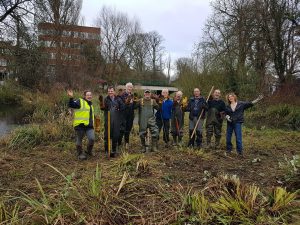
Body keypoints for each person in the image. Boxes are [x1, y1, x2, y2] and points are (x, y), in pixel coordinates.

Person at [67, 89, 95, 160]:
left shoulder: (90, 104)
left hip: (89, 126)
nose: (89, 96)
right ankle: (80, 154)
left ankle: (88, 151)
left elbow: (90, 115)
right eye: (87, 95)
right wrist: (71, 98)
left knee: (92, 139)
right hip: (80, 125)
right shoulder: (80, 101)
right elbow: (71, 104)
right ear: (84, 96)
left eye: (90, 95)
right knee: (79, 139)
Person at [99, 86, 125, 157]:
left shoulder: (118, 99)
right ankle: (107, 150)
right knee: (107, 135)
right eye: (109, 91)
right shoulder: (106, 99)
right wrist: (101, 103)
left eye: (111, 91)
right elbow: (102, 108)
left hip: (116, 120)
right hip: (108, 120)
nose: (110, 92)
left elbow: (123, 107)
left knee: (115, 135)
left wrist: (119, 109)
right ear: (108, 92)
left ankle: (113, 150)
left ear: (114, 92)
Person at [118, 82, 135, 150]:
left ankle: (126, 144)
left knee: (128, 129)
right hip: (123, 115)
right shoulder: (122, 95)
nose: (129, 88)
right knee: (122, 130)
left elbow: (134, 106)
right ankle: (119, 144)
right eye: (128, 87)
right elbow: (121, 105)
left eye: (131, 87)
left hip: (130, 115)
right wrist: (127, 102)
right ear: (126, 88)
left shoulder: (133, 95)